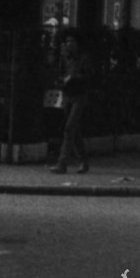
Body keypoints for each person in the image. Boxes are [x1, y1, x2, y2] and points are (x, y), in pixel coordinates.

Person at [49, 32, 91, 174]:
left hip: (79, 96)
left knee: (69, 128)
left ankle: (62, 163)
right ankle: (83, 161)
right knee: (74, 129)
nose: (69, 44)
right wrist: (60, 80)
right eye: (67, 41)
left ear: (78, 44)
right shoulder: (65, 58)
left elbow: (88, 76)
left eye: (72, 41)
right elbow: (59, 74)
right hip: (68, 95)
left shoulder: (84, 59)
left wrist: (72, 78)